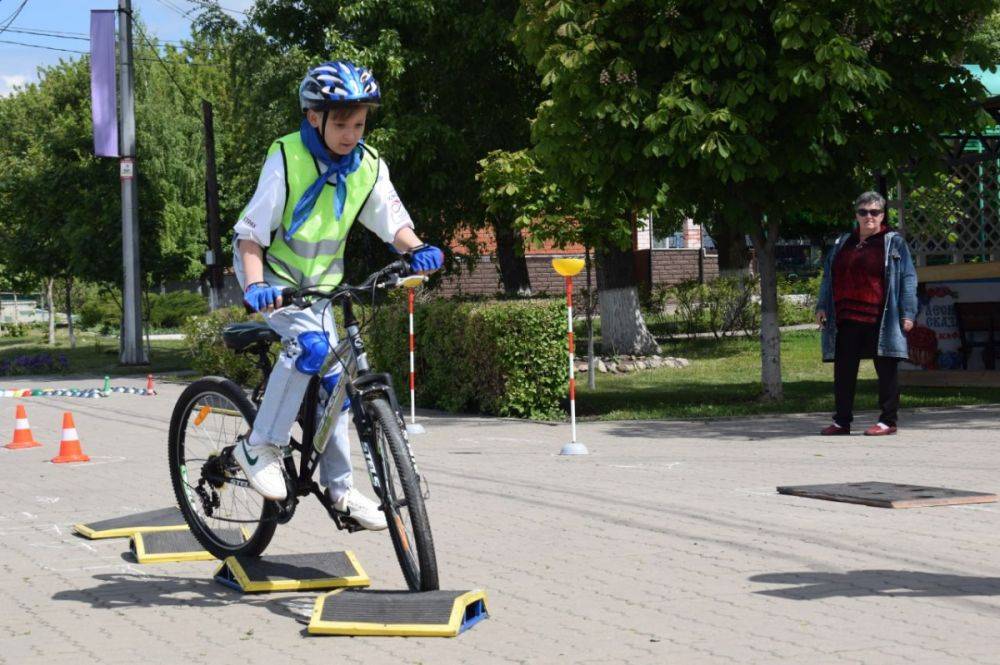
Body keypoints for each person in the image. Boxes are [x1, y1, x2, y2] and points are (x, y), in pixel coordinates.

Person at [230, 61, 443, 529]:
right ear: (314, 117)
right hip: (276, 282)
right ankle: (257, 446)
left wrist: (417, 249)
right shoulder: (286, 156)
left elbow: (393, 222)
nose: (351, 134)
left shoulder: (368, 165)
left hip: (325, 289)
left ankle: (341, 490)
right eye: (342, 123)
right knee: (309, 349)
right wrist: (257, 285)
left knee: (340, 383)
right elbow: (250, 234)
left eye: (359, 123)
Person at [815, 191, 917, 436]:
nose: (869, 216)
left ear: (883, 215)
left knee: (886, 369)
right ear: (856, 215)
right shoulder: (843, 243)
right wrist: (822, 306)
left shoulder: (893, 242)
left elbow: (908, 278)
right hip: (846, 318)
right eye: (863, 212)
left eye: (874, 212)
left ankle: (888, 421)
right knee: (844, 371)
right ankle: (842, 422)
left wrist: (908, 313)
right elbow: (829, 277)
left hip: (881, 318)